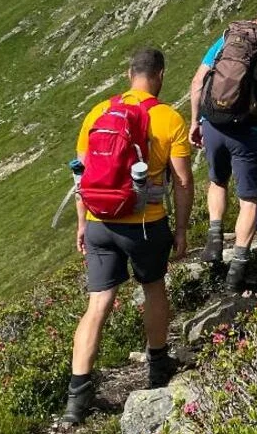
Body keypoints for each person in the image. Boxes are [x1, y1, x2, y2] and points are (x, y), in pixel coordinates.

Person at [62, 48, 193, 426]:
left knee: (97, 304)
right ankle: (157, 365)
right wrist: (182, 229)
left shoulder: (99, 111)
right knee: (153, 287)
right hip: (145, 224)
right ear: (160, 75)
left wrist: (83, 223)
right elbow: (182, 181)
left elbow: (81, 175)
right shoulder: (167, 118)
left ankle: (77, 398)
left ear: (128, 73)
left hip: (102, 221)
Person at [189, 10, 257, 291]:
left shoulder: (226, 41)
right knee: (249, 199)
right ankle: (237, 269)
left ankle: (214, 239)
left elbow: (198, 82)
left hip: (213, 124)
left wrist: (195, 121)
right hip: (250, 131)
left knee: (217, 181)